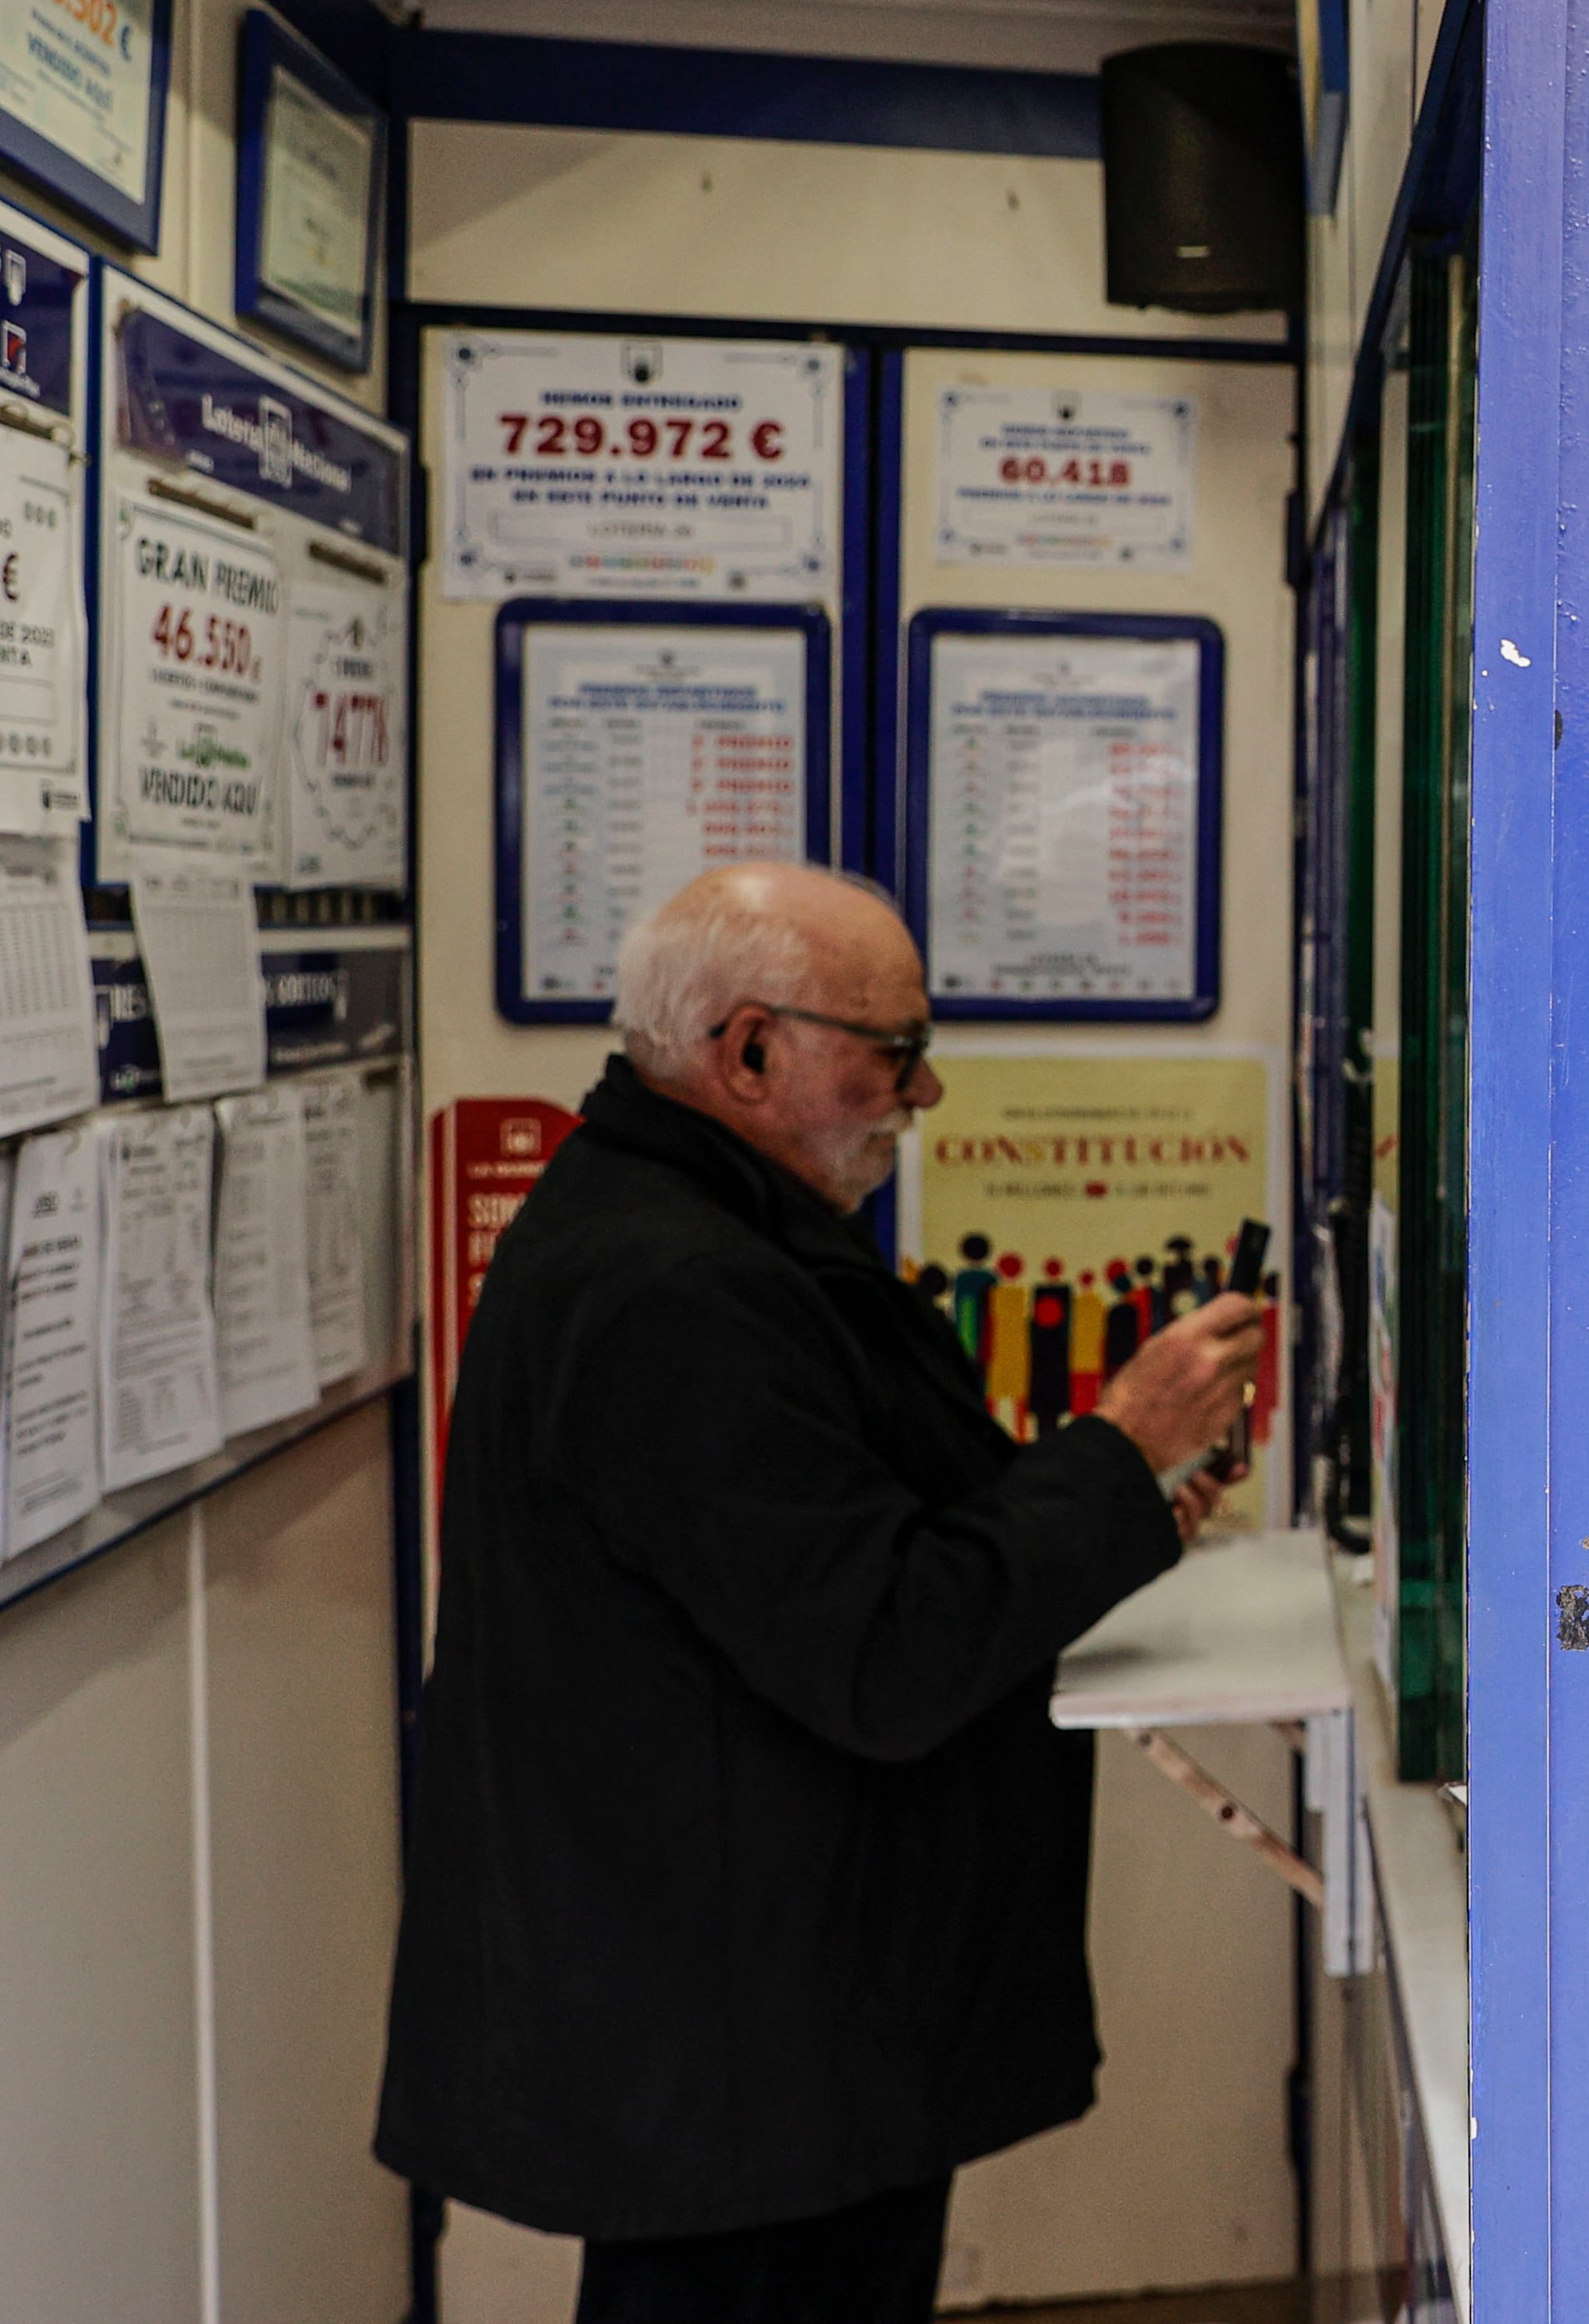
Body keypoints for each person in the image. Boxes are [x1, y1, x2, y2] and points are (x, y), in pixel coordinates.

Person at [375, 863, 1265, 2323]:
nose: (923, 1095)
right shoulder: (677, 1286)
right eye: (893, 1052)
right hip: (736, 2055)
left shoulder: (698, 1227)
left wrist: (1123, 1499)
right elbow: (885, 1645)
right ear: (748, 1052)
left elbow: (856, 1537)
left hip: (762, 2028)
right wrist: (1118, 1448)